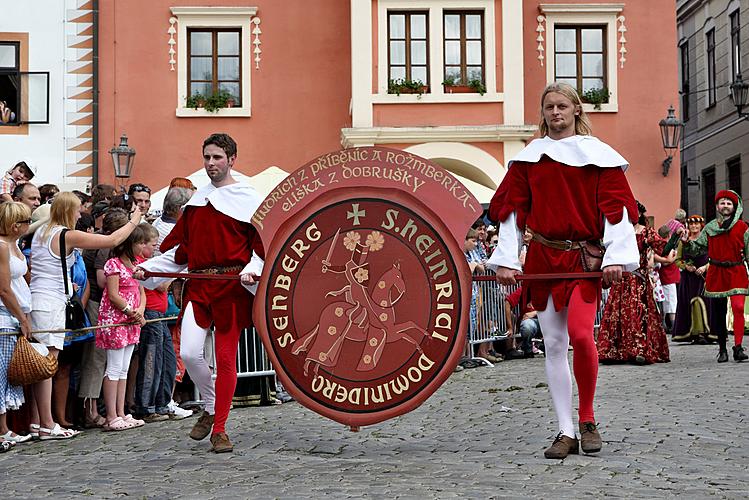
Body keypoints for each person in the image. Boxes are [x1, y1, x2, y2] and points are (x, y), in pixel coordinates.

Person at [488, 82, 639, 459]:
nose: (555, 112)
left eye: (561, 106)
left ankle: (587, 418)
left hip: (582, 259)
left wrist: (616, 255)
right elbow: (510, 211)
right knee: (553, 345)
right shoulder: (528, 160)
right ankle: (565, 430)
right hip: (543, 257)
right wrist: (507, 258)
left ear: (575, 111)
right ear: (543, 114)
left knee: (581, 335)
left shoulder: (599, 156)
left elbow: (616, 209)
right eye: (549, 107)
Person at [135, 133, 264, 453]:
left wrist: (254, 268)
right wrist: (148, 270)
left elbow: (262, 247)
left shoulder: (249, 197)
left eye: (217, 157)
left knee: (224, 358)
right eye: (207, 157)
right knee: (191, 353)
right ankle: (209, 406)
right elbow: (180, 253)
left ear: (232, 158)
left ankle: (219, 428)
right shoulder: (196, 201)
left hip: (233, 288)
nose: (210, 163)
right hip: (200, 287)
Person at [29, 192, 141, 439]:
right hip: (51, 302)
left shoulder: (41, 233)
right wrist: (134, 220)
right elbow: (113, 239)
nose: (80, 214)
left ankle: (39, 423)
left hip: (39, 300)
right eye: (78, 210)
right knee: (49, 364)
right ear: (69, 210)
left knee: (42, 364)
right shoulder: (65, 235)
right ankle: (47, 424)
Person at [597, 202, 671, 365]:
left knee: (636, 314)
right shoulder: (618, 234)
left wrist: (679, 238)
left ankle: (640, 350)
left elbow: (664, 250)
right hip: (620, 281)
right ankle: (614, 351)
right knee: (617, 315)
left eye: (633, 212)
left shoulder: (645, 232)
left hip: (638, 282)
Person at [681, 190, 749, 363]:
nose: (725, 206)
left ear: (735, 207)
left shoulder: (743, 227)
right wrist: (686, 242)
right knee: (719, 311)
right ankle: (722, 349)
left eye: (729, 203)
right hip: (717, 272)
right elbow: (697, 249)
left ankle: (738, 347)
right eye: (722, 202)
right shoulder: (710, 227)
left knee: (739, 307)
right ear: (717, 206)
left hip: (737, 270)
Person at [78, 208, 129, 429]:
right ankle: (90, 410)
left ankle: (105, 409)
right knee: (97, 360)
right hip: (99, 305)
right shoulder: (103, 247)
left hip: (107, 305)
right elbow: (102, 282)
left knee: (109, 362)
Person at [97, 225, 147, 431]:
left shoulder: (136, 265)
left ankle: (121, 411)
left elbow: (142, 292)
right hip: (116, 320)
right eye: (140, 242)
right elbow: (113, 294)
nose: (143, 246)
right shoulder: (113, 264)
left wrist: (140, 311)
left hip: (131, 321)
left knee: (124, 368)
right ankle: (111, 414)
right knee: (114, 367)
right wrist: (130, 311)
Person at [133, 223, 185, 422]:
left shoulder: (149, 261)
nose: (155, 249)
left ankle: (162, 402)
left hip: (160, 316)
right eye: (152, 245)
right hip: (151, 315)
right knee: (151, 363)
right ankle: (146, 406)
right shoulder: (142, 265)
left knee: (166, 362)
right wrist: (176, 270)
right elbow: (162, 286)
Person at [0, 202, 34, 445]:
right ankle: (2, 429)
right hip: (4, 316)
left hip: (16, 314)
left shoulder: (15, 244)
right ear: (15, 225)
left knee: (8, 373)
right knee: (2, 374)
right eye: (26, 221)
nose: (28, 226)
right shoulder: (2, 247)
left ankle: (6, 427)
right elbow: (3, 288)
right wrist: (21, 317)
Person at [672, 215, 717, 343]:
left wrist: (705, 267)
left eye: (697, 224)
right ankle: (695, 334)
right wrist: (686, 266)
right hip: (689, 278)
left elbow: (714, 258)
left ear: (701, 225)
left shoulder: (707, 239)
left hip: (705, 277)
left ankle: (706, 333)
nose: (694, 226)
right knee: (692, 303)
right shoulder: (683, 241)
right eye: (691, 224)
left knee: (705, 302)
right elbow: (677, 260)